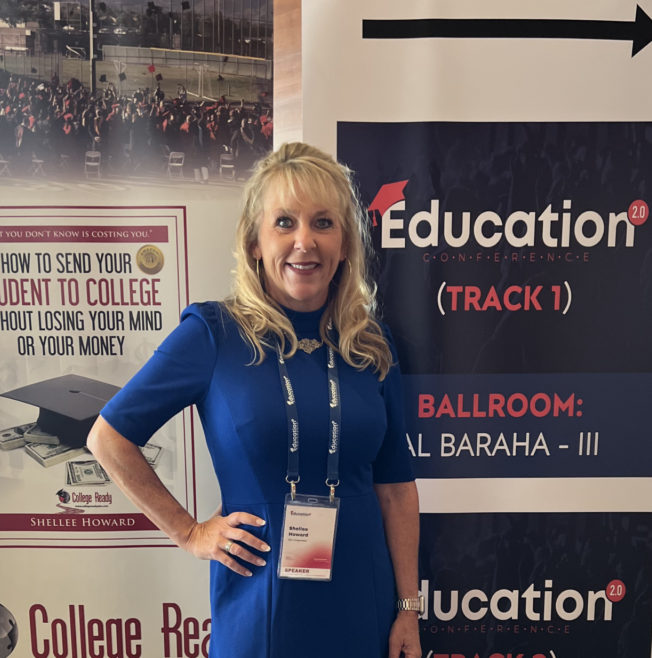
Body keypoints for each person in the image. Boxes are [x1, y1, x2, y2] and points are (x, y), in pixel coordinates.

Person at [88, 142, 421, 658]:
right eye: (284, 222)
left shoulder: (370, 342)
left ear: (347, 243)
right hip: (260, 600)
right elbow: (109, 438)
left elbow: (396, 488)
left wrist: (408, 608)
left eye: (324, 222)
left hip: (364, 600)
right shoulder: (212, 334)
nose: (304, 242)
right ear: (255, 243)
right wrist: (190, 532)